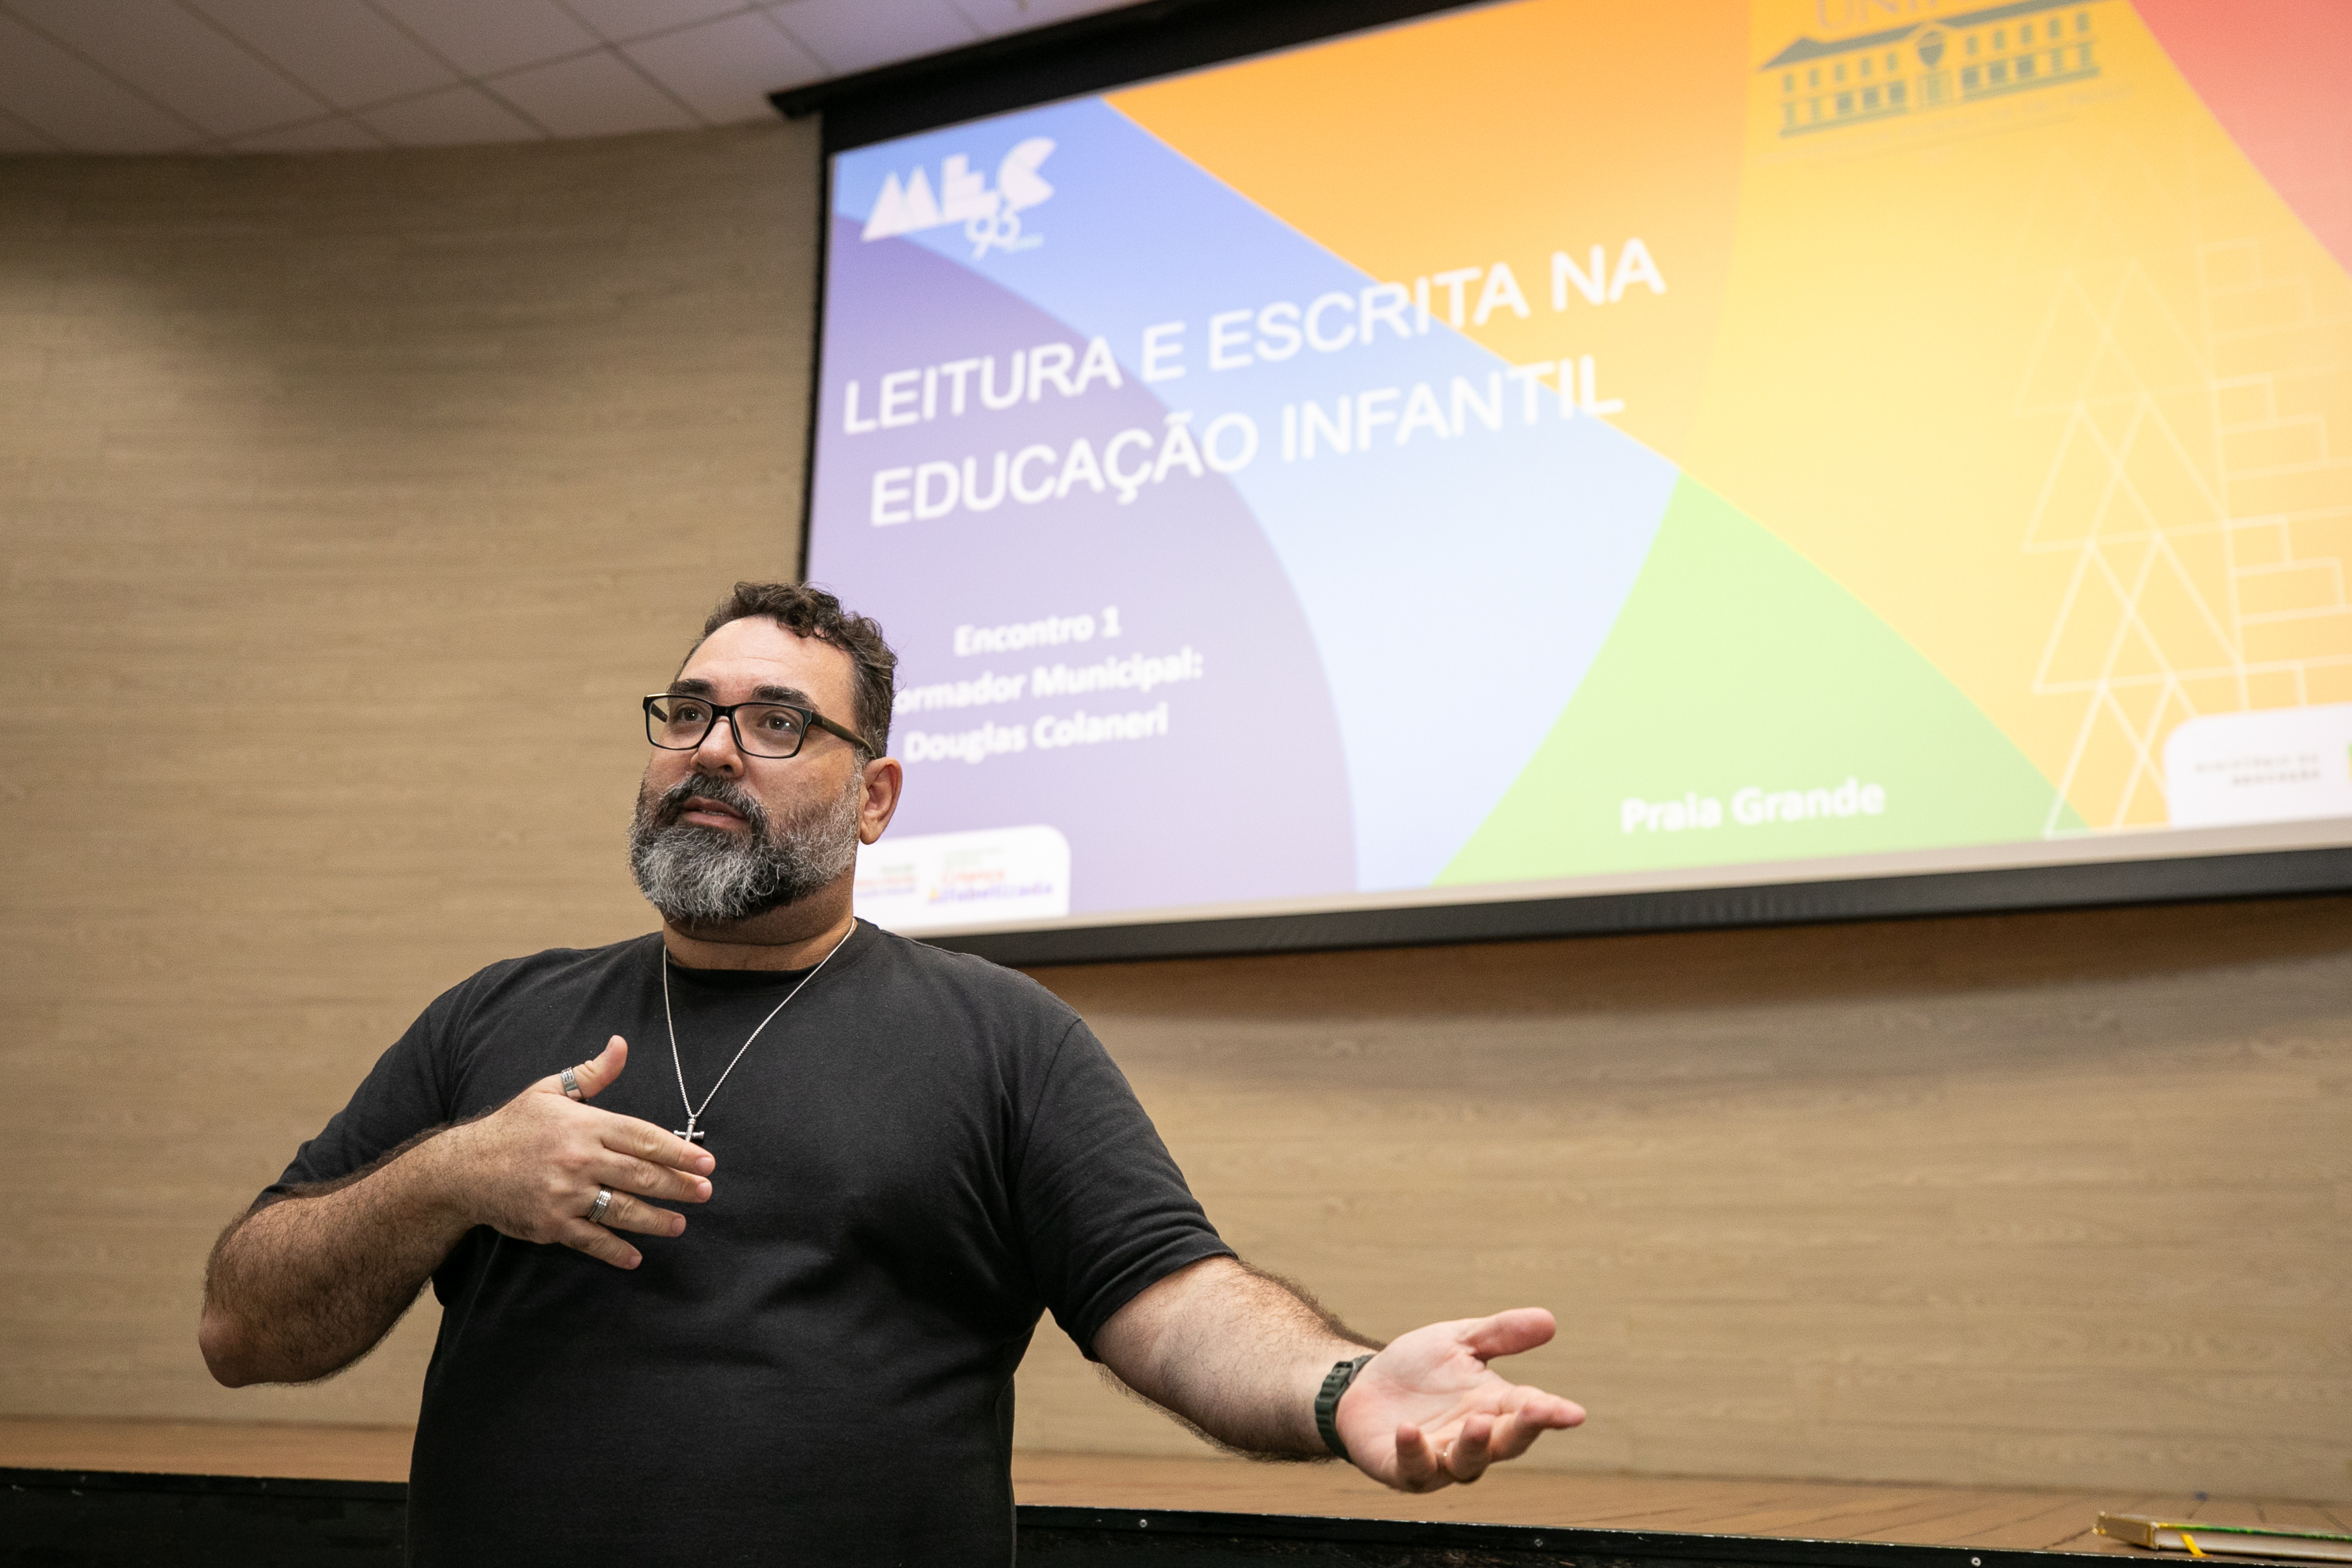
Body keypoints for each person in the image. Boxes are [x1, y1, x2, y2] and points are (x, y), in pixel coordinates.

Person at [198, 581, 1584, 1565]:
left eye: (777, 723)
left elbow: (1172, 1306)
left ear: (874, 798)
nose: (713, 749)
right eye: (687, 714)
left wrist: (1343, 1387)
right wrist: (452, 1175)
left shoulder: (999, 1037)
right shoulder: (493, 1019)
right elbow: (244, 1328)